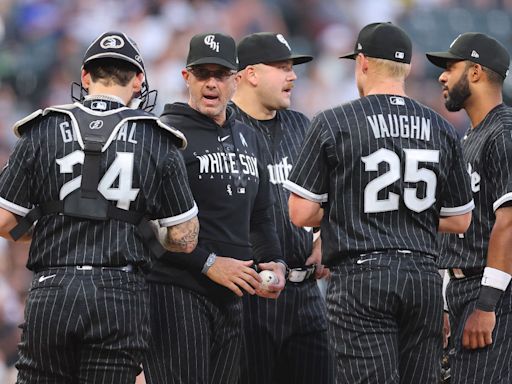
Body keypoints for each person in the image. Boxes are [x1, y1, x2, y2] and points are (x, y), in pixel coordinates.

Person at [0, 31, 199, 383]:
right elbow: (184, 237)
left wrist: (47, 229)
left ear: (86, 77)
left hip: (52, 285)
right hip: (118, 292)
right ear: (138, 80)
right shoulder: (157, 137)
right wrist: (143, 233)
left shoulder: (42, 128)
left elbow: (4, 220)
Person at [284, 22, 474, 383]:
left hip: (362, 275)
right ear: (406, 68)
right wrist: (402, 211)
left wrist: (355, 209)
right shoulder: (441, 126)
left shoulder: (334, 121)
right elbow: (460, 219)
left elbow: (300, 212)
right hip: (422, 277)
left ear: (363, 62)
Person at [143, 32, 287, 384]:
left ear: (236, 80)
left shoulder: (250, 137)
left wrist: (276, 262)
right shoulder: (166, 133)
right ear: (185, 77)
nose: (211, 83)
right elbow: (145, 225)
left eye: (220, 74)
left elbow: (261, 217)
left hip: (231, 297)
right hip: (176, 292)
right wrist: (208, 264)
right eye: (202, 73)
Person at [231, 32, 334, 384]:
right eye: (281, 68)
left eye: (292, 68)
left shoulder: (302, 126)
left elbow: (327, 195)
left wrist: (326, 236)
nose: (292, 76)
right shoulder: (221, 128)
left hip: (305, 295)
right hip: (247, 296)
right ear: (250, 74)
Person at [427, 32, 512, 383]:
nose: (442, 77)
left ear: (475, 72)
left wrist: (487, 304)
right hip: (465, 289)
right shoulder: (471, 136)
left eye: (451, 67)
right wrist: (449, 298)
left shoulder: (504, 132)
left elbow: (509, 222)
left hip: (494, 293)